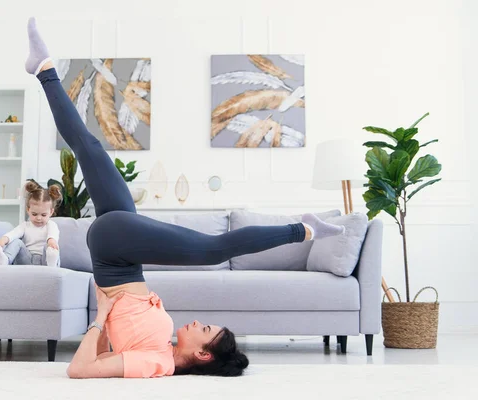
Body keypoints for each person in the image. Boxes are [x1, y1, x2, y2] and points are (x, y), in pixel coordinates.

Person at [24, 17, 345, 379]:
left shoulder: (157, 363)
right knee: (89, 146)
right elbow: (106, 351)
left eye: (204, 331)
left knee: (213, 250)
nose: (197, 323)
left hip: (114, 253)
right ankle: (44, 69)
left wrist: (98, 317)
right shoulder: (162, 350)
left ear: (203, 355)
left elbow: (80, 370)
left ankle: (303, 230)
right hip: (119, 253)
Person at [0, 181, 62, 267]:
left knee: (51, 247)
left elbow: (53, 235)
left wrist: (51, 241)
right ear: (28, 210)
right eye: (34, 214)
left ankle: (52, 265)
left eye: (43, 215)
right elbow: (13, 234)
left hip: (45, 260)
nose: (39, 218)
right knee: (17, 241)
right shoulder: (25, 226)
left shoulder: (51, 225)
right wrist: (3, 240)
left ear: (51, 212)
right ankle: (5, 259)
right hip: (27, 260)